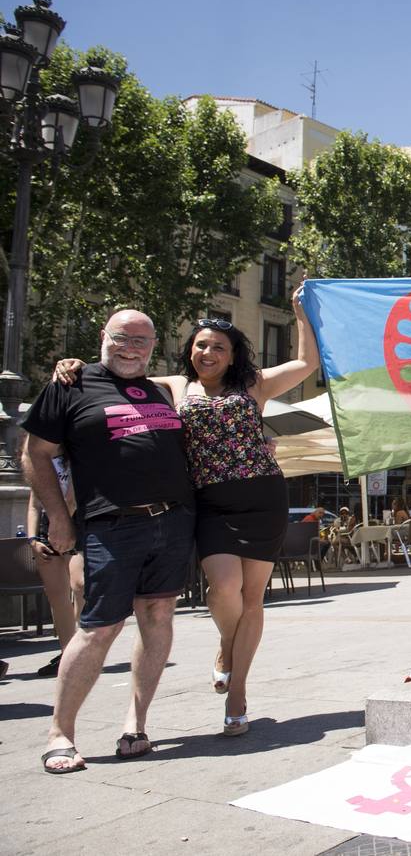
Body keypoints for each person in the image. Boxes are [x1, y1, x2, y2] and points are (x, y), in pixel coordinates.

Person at [54, 289, 319, 738]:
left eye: (219, 346)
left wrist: (300, 313)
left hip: (263, 498)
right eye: (201, 344)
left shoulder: (253, 383)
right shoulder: (172, 387)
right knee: (222, 589)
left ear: (232, 354)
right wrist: (75, 365)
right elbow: (119, 371)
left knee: (252, 600)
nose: (208, 352)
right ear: (189, 349)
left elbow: (307, 362)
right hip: (210, 503)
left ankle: (237, 694)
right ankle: (225, 645)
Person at [23, 309, 196, 773]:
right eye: (122, 338)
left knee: (158, 615)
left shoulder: (160, 389)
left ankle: (135, 726)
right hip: (112, 526)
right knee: (99, 627)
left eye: (141, 341)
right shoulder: (70, 384)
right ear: (103, 336)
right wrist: (57, 518)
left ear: (153, 347)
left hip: (173, 522)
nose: (131, 347)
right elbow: (34, 454)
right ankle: (60, 733)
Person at [27, 461, 83, 679]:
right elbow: (33, 504)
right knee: (57, 597)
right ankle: (66, 653)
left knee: (80, 585)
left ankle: (78, 644)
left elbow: (72, 500)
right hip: (45, 530)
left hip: (74, 525)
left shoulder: (75, 458)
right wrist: (33, 539)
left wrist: (61, 526)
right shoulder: (40, 463)